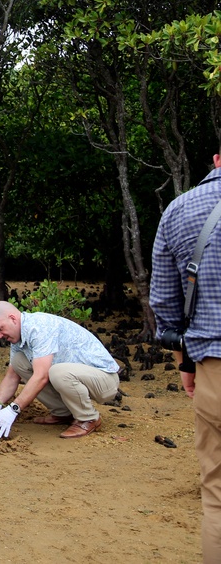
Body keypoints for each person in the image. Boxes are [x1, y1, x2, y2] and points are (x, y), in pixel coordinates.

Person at [149, 150, 221, 560]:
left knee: (216, 497)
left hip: (212, 367)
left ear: (215, 159)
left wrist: (187, 365)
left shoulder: (180, 210)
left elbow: (166, 305)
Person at [0, 301, 120, 440]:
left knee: (56, 372)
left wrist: (14, 409)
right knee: (19, 362)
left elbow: (41, 376)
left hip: (104, 379)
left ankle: (88, 418)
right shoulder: (18, 338)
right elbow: (12, 376)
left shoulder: (39, 327)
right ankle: (63, 412)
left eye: (0, 329)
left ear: (12, 319)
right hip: (76, 375)